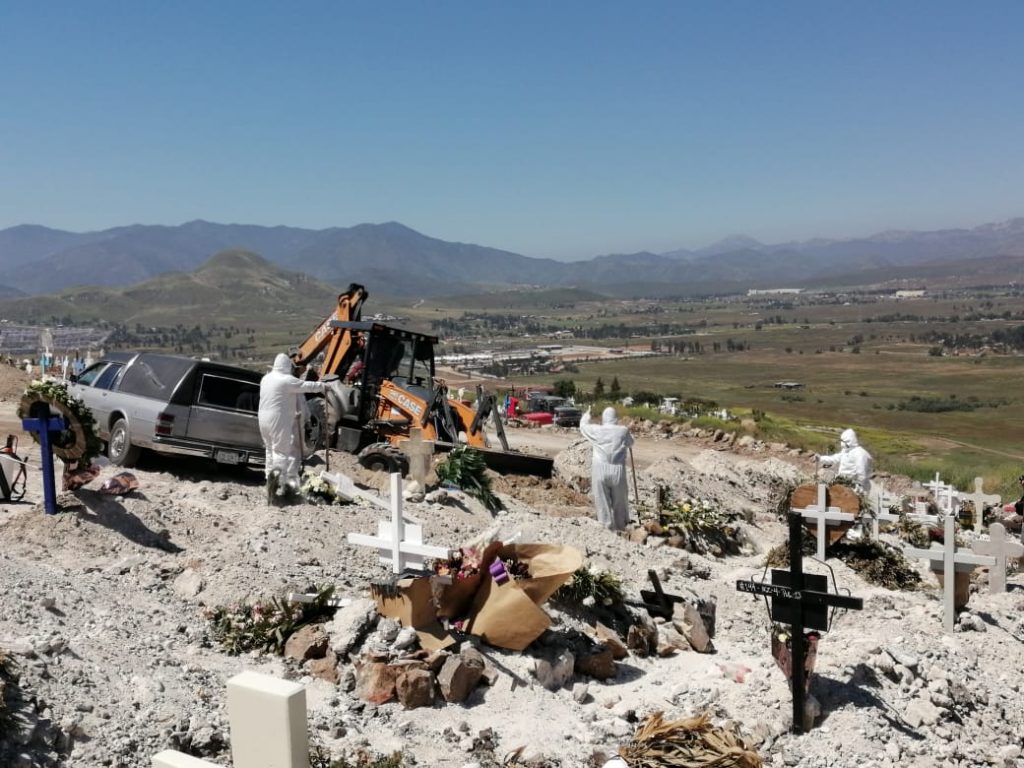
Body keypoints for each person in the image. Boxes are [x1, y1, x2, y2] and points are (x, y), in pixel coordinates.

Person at [259, 353, 325, 503]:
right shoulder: (286, 380)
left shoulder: (266, 379)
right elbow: (307, 386)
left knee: (269, 451)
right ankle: (277, 490)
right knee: (281, 454)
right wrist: (324, 386)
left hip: (263, 419)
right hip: (278, 420)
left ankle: (269, 484)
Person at [579, 406, 634, 530]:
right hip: (617, 471)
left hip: (600, 470)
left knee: (602, 502)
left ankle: (606, 527)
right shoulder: (623, 431)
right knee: (620, 502)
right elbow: (631, 443)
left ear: (604, 418)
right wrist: (628, 430)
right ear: (616, 418)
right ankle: (621, 528)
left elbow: (583, 426)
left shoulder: (596, 430)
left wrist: (587, 415)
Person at [818, 428, 873, 493]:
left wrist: (857, 489)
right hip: (844, 483)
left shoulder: (860, 454)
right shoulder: (846, 451)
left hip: (856, 488)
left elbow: (862, 474)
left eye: (845, 442)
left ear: (851, 441)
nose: (842, 444)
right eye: (842, 441)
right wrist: (820, 458)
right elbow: (834, 458)